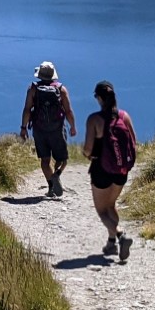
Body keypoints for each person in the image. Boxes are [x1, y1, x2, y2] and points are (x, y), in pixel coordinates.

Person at [83, 79, 137, 263]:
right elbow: (134, 143)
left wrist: (87, 155)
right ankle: (111, 243)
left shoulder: (94, 120)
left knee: (102, 211)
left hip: (101, 169)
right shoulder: (124, 116)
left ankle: (121, 236)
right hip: (121, 170)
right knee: (111, 205)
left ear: (98, 97)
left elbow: (88, 149)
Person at [19, 61, 75, 198]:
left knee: (45, 160)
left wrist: (23, 128)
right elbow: (68, 111)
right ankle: (57, 174)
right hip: (58, 128)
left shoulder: (33, 88)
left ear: (39, 75)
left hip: (39, 129)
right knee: (62, 159)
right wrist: (73, 126)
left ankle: (51, 186)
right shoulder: (61, 89)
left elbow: (27, 110)